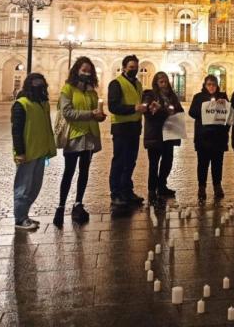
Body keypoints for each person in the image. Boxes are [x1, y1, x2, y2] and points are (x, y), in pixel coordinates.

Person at [55, 57, 106, 226]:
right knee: (69, 172)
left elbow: (95, 112)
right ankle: (61, 206)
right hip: (74, 135)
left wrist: (99, 116)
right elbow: (67, 112)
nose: (86, 73)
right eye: (83, 70)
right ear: (76, 70)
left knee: (84, 171)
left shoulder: (92, 91)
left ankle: (78, 203)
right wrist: (90, 114)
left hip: (89, 135)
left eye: (89, 71)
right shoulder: (67, 89)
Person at [11, 73, 58, 230]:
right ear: (29, 85)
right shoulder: (21, 104)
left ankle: (24, 215)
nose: (39, 87)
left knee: (34, 187)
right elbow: (16, 130)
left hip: (41, 151)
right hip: (27, 152)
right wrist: (20, 152)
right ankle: (20, 219)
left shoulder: (43, 103)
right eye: (36, 84)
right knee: (23, 187)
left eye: (41, 84)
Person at [107, 55, 146, 208]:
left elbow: (139, 102)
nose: (134, 70)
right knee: (119, 161)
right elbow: (113, 107)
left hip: (134, 127)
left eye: (136, 67)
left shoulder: (137, 83)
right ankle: (115, 193)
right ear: (124, 68)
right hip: (121, 128)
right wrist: (133, 108)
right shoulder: (116, 84)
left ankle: (127, 191)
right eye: (131, 67)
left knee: (130, 161)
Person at [141, 71, 183, 203]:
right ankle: (152, 190)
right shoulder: (150, 95)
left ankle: (162, 186)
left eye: (165, 81)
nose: (164, 84)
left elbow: (180, 111)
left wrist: (169, 111)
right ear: (156, 83)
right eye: (161, 82)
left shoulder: (172, 96)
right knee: (154, 164)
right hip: (155, 134)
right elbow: (148, 111)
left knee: (167, 162)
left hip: (169, 134)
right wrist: (164, 111)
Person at [188, 74, 230, 201]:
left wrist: (222, 105)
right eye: (209, 84)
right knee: (203, 163)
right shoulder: (198, 97)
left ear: (217, 86)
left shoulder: (222, 97)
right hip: (203, 136)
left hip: (219, 136)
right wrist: (205, 108)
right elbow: (192, 112)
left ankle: (217, 186)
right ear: (205, 85)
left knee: (218, 163)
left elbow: (228, 114)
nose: (211, 87)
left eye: (214, 84)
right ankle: (202, 187)